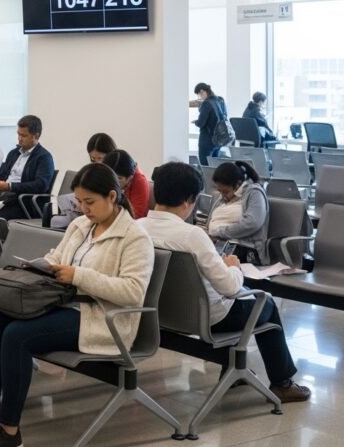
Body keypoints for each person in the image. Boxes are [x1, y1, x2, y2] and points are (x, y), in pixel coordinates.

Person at [0, 162, 154, 447]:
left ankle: (10, 431)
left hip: (101, 317)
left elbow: (133, 292)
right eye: (79, 201)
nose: (83, 209)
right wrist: (44, 266)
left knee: (17, 336)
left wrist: (79, 276)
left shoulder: (134, 238)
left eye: (90, 202)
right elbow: (58, 255)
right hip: (62, 303)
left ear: (112, 196)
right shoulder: (81, 225)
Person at [139, 162, 310, 403]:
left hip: (160, 316)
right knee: (265, 303)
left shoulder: (138, 228)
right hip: (207, 318)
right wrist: (233, 267)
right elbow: (229, 288)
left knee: (239, 299)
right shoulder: (191, 235)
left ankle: (233, 370)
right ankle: (282, 382)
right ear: (190, 199)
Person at [0, 115, 55, 220]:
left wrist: (10, 186)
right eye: (18, 134)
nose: (19, 139)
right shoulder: (14, 153)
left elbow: (41, 185)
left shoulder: (44, 157)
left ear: (36, 136)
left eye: (24, 135)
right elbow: (2, 175)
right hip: (4, 196)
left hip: (23, 202)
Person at [207, 160, 269, 265]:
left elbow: (252, 223)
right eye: (220, 191)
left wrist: (218, 234)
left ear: (238, 184)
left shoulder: (254, 193)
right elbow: (210, 220)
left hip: (244, 248)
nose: (222, 195)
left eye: (225, 191)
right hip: (220, 244)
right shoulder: (222, 197)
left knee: (210, 266)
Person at [102, 149, 150, 219]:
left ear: (130, 178)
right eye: (109, 176)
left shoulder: (139, 181)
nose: (112, 181)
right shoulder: (105, 176)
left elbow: (136, 216)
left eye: (119, 178)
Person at [193, 83, 228, 166]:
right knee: (214, 166)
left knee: (205, 166)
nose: (200, 97)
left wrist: (196, 122)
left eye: (199, 94)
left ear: (202, 91)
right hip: (219, 139)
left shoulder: (206, 103)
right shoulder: (220, 100)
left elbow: (201, 123)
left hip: (207, 140)